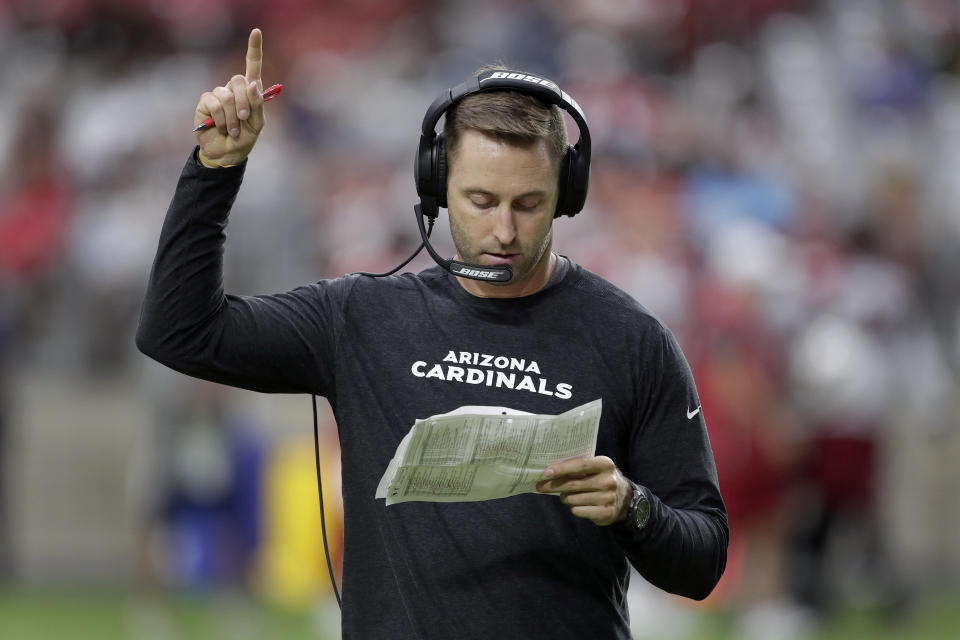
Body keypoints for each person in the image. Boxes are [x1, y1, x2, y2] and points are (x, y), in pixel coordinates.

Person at [137, 28, 728, 639]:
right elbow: (178, 332)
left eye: (528, 204)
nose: (503, 229)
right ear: (436, 185)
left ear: (566, 196)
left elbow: (704, 559)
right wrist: (214, 170)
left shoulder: (631, 340)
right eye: (480, 200)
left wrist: (633, 508)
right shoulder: (361, 318)